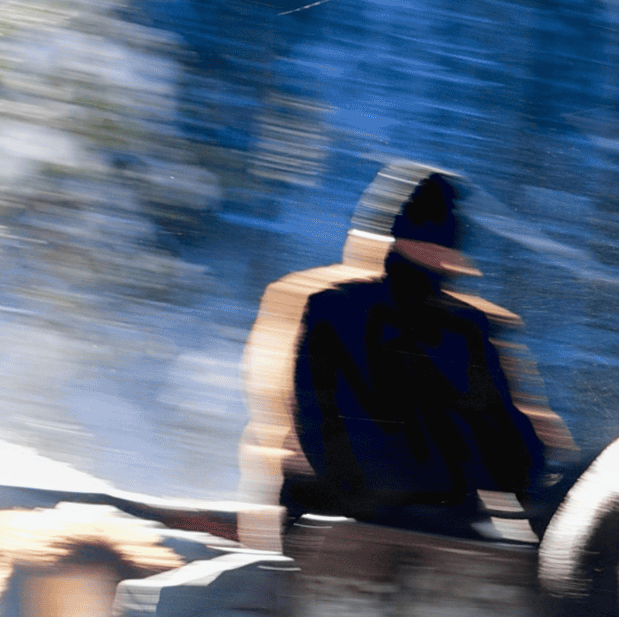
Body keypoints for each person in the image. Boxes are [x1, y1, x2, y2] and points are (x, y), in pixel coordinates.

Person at [237, 163, 575, 545]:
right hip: (410, 517)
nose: (440, 256)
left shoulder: (336, 308)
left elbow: (312, 417)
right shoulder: (463, 328)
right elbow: (506, 438)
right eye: (439, 246)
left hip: (362, 509)